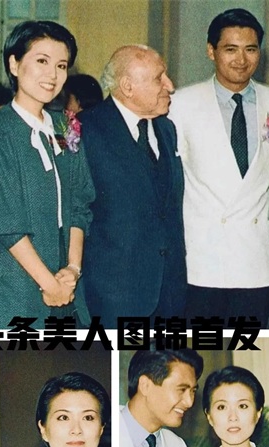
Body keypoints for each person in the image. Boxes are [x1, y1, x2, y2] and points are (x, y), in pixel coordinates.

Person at [0, 21, 95, 329]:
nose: (53, 75)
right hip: (11, 285)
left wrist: (72, 270)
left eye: (61, 65)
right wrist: (49, 284)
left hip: (63, 282)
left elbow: (79, 203)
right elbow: (2, 221)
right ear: (14, 64)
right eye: (42, 61)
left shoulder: (64, 126)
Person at [169, 8, 269, 328]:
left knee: (248, 343)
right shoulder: (181, 104)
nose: (241, 59)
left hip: (255, 259)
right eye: (230, 49)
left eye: (251, 49)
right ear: (211, 51)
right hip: (202, 260)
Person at [80, 45, 187, 329]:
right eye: (159, 78)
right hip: (113, 297)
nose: (170, 86)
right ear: (127, 86)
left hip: (169, 296)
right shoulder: (86, 130)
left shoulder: (167, 129)